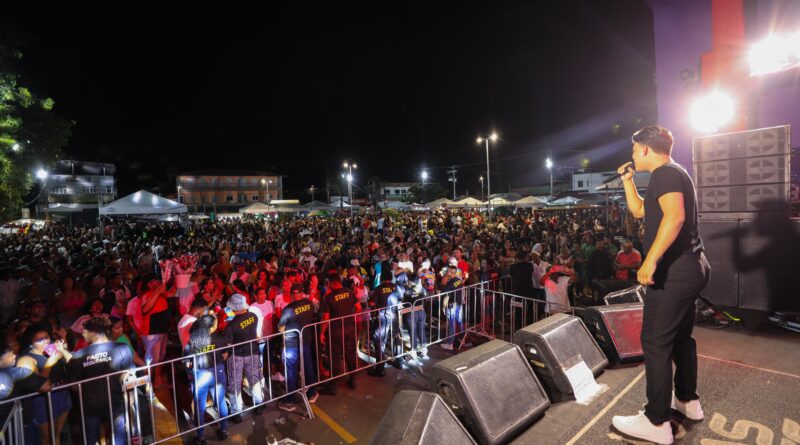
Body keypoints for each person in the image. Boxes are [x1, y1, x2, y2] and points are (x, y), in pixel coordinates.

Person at [611, 125, 711, 445]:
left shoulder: (664, 173)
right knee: (681, 339)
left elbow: (675, 217)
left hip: (674, 273)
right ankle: (687, 401)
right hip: (693, 268)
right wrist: (628, 182)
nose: (631, 156)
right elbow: (640, 210)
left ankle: (656, 422)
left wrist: (650, 260)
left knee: (655, 342)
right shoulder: (671, 173)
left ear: (643, 149)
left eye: (633, 150)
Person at [68, 316, 134, 445]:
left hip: (91, 403)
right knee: (119, 435)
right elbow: (129, 375)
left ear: (92, 332)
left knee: (91, 438)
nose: (82, 333)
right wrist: (130, 396)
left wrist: (87, 391)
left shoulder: (79, 355)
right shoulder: (122, 348)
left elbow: (74, 384)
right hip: (116, 398)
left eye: (84, 331)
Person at [17, 328, 72, 445]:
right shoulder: (28, 358)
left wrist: (62, 349)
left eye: (46, 337)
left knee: (57, 432)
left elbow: (71, 362)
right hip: (44, 399)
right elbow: (38, 384)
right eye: (39, 340)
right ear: (31, 343)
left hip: (62, 392)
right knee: (47, 437)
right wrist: (49, 364)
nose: (45, 341)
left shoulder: (52, 351)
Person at [184, 315, 229, 444]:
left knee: (199, 407)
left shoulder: (191, 342)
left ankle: (201, 437)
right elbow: (225, 354)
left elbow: (187, 363)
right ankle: (224, 429)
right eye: (215, 323)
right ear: (210, 327)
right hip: (218, 372)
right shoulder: (220, 338)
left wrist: (190, 374)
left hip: (200, 375)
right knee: (221, 402)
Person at [277, 283, 319, 412]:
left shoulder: (288, 309)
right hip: (305, 341)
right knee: (307, 367)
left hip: (292, 344)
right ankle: (312, 392)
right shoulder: (309, 303)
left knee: (291, 372)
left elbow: (281, 328)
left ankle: (289, 401)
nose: (294, 295)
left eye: (294, 292)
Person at [221, 293, 264, 420]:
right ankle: (259, 403)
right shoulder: (254, 316)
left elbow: (227, 344)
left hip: (236, 356)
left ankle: (237, 412)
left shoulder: (231, 326)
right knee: (254, 379)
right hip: (253, 352)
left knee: (235, 383)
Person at [318, 270, 360, 394]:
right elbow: (359, 308)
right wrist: (350, 318)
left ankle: (333, 386)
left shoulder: (329, 297)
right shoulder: (348, 292)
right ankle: (352, 380)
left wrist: (321, 332)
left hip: (335, 331)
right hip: (349, 328)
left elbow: (325, 317)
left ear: (331, 283)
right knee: (350, 354)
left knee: (334, 357)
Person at [367, 269, 402, 374]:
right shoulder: (396, 287)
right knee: (396, 337)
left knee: (379, 341)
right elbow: (401, 297)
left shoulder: (378, 289)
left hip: (383, 316)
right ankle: (399, 361)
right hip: (395, 314)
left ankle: (380, 368)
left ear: (382, 279)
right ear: (390, 278)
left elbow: (372, 303)